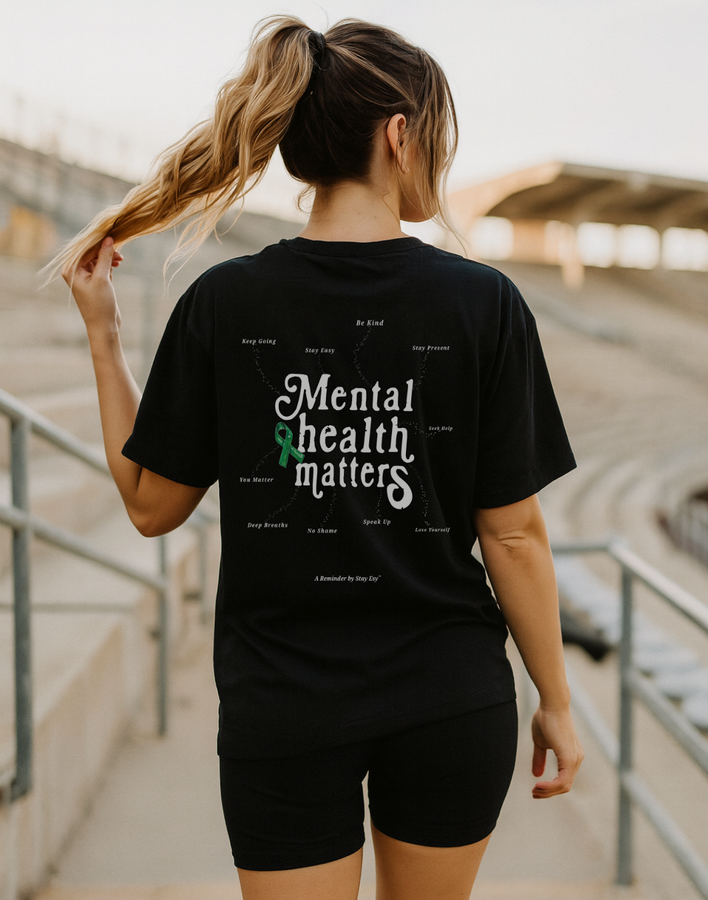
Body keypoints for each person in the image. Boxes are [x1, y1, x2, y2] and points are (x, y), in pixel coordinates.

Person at [51, 15, 584, 900]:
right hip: (449, 696)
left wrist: (104, 342)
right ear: (400, 134)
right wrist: (556, 700)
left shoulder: (224, 303)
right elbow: (515, 536)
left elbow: (148, 506)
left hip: (281, 705)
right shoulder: (485, 304)